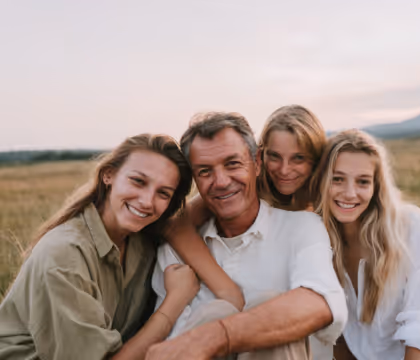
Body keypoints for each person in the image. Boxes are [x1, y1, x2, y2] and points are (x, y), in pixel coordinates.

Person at [149, 112, 347, 359]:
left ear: (257, 162)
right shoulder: (178, 246)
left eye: (232, 164)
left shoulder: (303, 226)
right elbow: (170, 344)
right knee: (216, 311)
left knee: (269, 308)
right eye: (205, 171)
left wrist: (218, 335)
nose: (221, 181)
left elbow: (321, 301)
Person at [0, 134, 199, 360]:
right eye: (138, 181)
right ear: (109, 175)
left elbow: (207, 207)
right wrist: (174, 302)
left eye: (163, 193)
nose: (147, 201)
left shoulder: (141, 241)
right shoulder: (64, 256)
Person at [311, 129, 420, 360]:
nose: (349, 193)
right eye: (337, 179)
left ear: (376, 187)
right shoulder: (316, 239)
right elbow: (334, 332)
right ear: (321, 181)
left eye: (363, 182)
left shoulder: (408, 226)